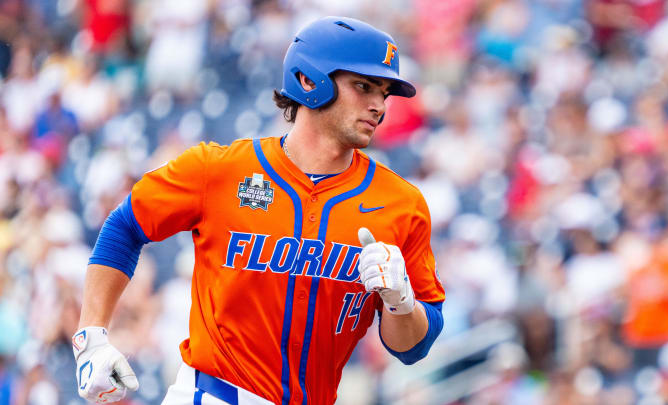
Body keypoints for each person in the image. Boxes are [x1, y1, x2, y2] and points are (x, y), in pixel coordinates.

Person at [71, 16, 445, 405]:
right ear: (308, 81)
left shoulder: (402, 203)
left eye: (384, 93)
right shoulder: (218, 169)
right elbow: (124, 227)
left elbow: (413, 349)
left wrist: (402, 303)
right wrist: (91, 336)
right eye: (364, 86)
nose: (379, 106)